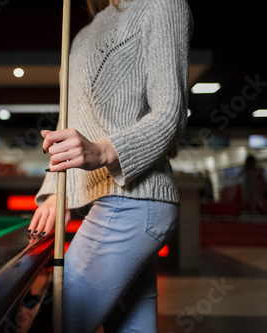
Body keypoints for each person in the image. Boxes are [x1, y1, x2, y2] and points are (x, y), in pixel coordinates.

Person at [28, 0, 192, 332]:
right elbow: (68, 121)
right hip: (115, 203)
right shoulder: (83, 34)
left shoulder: (162, 4)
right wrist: (55, 192)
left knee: (52, 326)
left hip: (134, 200)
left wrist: (103, 152)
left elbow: (170, 113)